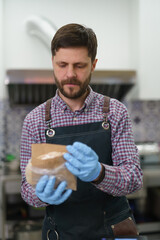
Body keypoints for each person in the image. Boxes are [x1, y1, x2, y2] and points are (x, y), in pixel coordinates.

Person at [20, 23, 143, 240]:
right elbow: (27, 188)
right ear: (52, 63)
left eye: (79, 65)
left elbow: (133, 178)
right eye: (62, 64)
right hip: (60, 233)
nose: (70, 74)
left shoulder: (114, 113)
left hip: (114, 231)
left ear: (93, 65)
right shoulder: (35, 121)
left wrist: (99, 173)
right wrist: (39, 195)